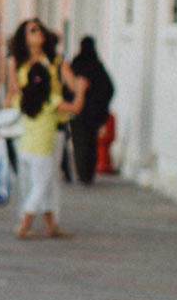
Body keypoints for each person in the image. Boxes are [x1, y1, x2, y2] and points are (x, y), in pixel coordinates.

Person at [8, 19, 85, 239]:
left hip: (53, 124)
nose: (38, 33)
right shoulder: (17, 62)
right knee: (32, 180)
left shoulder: (55, 61)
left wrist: (78, 84)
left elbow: (71, 84)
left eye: (40, 28)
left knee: (49, 178)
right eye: (32, 30)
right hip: (29, 123)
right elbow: (12, 91)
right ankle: (26, 221)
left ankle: (51, 223)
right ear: (24, 36)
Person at [67, 37, 115, 185]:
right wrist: (101, 106)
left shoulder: (75, 65)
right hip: (93, 113)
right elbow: (109, 88)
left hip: (78, 112)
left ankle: (83, 173)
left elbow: (67, 87)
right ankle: (88, 173)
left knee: (79, 143)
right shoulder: (97, 66)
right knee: (91, 143)